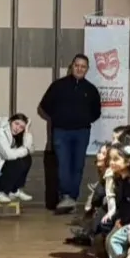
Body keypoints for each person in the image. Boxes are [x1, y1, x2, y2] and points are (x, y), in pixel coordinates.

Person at [38, 54, 102, 213]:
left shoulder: (91, 89)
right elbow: (44, 106)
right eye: (77, 65)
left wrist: (83, 119)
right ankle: (66, 196)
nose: (79, 69)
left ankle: (72, 198)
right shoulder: (58, 86)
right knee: (63, 165)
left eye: (83, 66)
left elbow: (96, 112)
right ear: (71, 66)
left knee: (78, 166)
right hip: (61, 132)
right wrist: (59, 118)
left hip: (82, 132)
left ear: (87, 69)